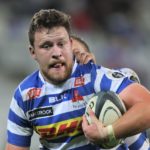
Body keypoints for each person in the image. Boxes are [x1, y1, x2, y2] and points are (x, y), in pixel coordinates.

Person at [6, 9, 150, 150]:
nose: (56, 53)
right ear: (33, 52)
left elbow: (147, 105)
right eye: (46, 46)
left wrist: (107, 133)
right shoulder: (24, 96)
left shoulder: (95, 77)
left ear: (70, 43)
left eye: (61, 44)